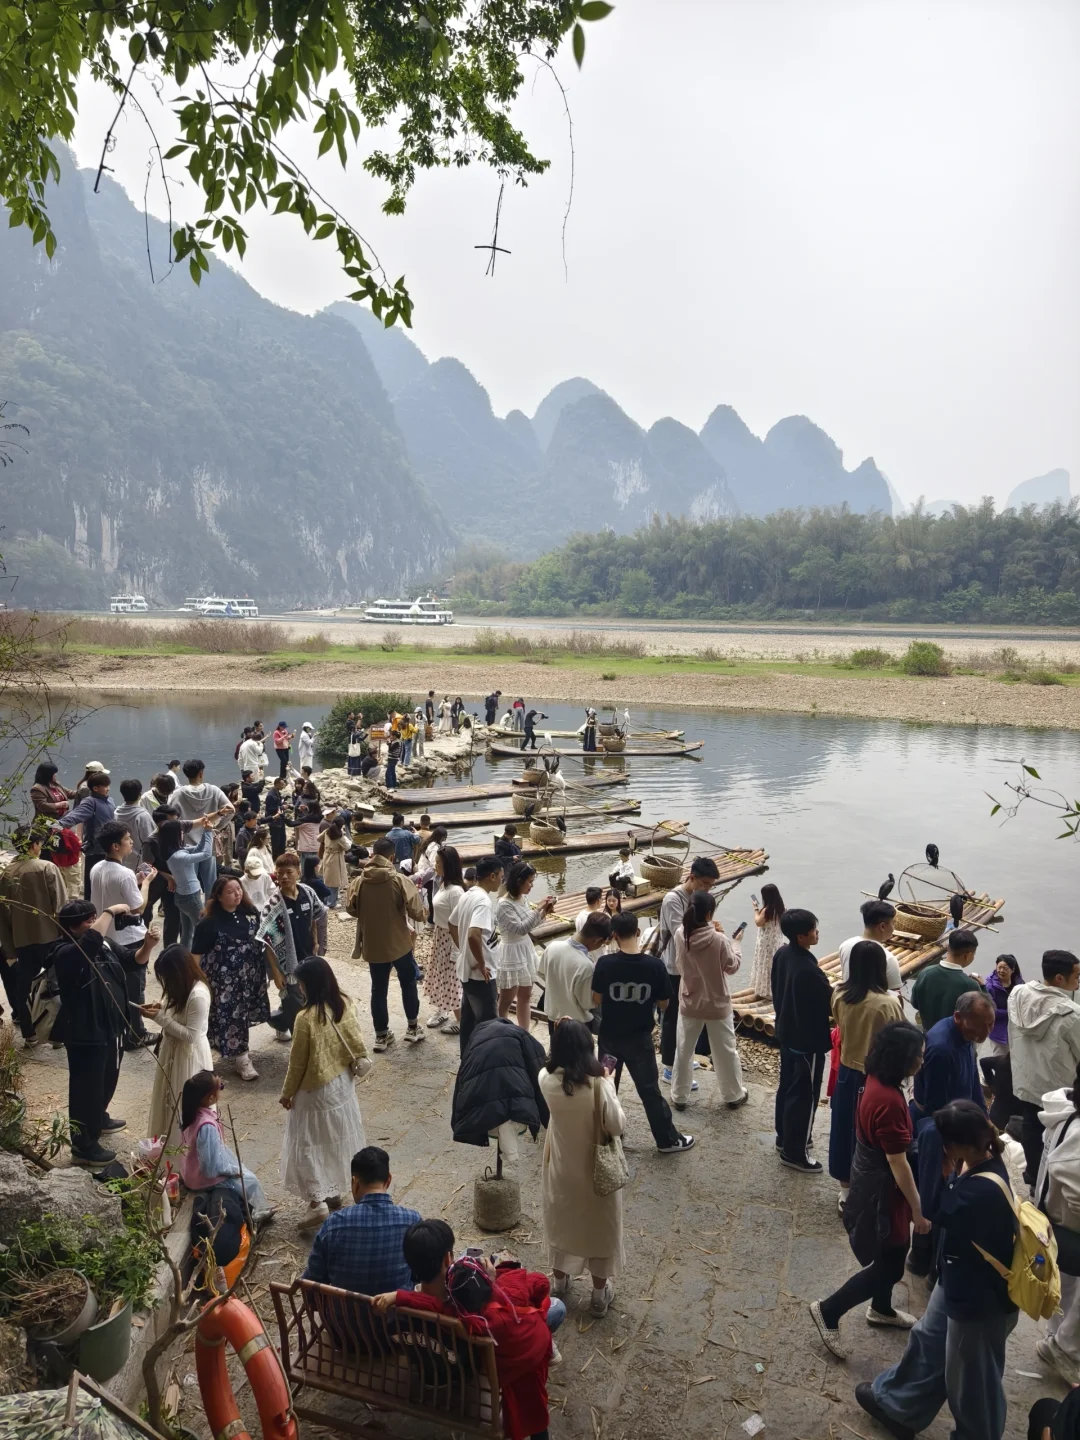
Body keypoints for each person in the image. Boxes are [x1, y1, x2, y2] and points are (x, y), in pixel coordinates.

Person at [856, 1099, 1019, 1440]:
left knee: (972, 1382)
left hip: (980, 1303)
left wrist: (935, 1159)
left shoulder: (977, 1192)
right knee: (929, 1342)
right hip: (960, 1281)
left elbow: (930, 1212)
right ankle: (898, 1406)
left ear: (957, 1146)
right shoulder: (980, 1161)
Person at [372, 1223, 559, 1440]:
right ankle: (550, 1349)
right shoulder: (469, 1311)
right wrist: (492, 1281)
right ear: (447, 1259)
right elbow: (535, 1287)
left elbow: (431, 1304)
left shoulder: (406, 1313)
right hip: (488, 1372)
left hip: (439, 1371)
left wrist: (398, 1295)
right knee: (555, 1308)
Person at [810, 1021, 929, 1359]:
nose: (921, 1061)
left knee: (893, 1251)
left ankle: (881, 1307)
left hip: (875, 1181)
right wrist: (918, 1210)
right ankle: (829, 1310)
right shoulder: (890, 1102)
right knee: (891, 1264)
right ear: (901, 1060)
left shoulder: (875, 1081)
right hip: (886, 1193)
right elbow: (898, 1163)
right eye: (917, 1057)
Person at [53, 897, 156, 1165]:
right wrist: (111, 911)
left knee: (108, 1077)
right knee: (86, 1087)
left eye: (95, 918)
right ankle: (84, 1145)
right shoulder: (66, 952)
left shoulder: (105, 944)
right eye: (89, 920)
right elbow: (89, 944)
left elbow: (131, 961)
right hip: (85, 1033)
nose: (95, 924)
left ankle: (99, 1117)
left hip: (110, 1027)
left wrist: (147, 946)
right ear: (73, 927)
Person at [906, 989, 996, 1278]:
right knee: (932, 1194)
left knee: (949, 1188)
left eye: (991, 1024)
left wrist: (984, 1121)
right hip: (935, 1128)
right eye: (983, 1025)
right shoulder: (941, 1048)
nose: (988, 1031)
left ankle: (938, 1252)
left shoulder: (969, 1038)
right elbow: (934, 1106)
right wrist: (961, 1140)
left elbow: (972, 1084)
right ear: (959, 1018)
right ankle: (921, 1256)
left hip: (958, 1123)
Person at [541, 1018, 626, 1318]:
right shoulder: (599, 1087)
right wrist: (608, 1082)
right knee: (599, 1231)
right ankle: (599, 1295)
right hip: (595, 1174)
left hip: (561, 1168)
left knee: (561, 1222)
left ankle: (560, 1281)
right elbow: (617, 1125)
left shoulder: (545, 1079)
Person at [592, 912, 695, 1154]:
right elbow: (663, 1003)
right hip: (639, 1039)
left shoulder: (605, 964)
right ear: (638, 932)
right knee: (649, 1090)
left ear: (614, 936)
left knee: (606, 1088)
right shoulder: (655, 966)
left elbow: (596, 999)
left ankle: (605, 1135)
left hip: (609, 1039)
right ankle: (667, 1140)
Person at [279, 957, 369, 1226]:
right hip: (342, 1085)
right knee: (338, 1139)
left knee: (309, 1143)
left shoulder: (305, 1019)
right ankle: (336, 1192)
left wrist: (287, 1093)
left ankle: (317, 1203)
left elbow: (297, 1063)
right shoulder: (345, 1003)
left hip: (314, 1092)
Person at [828, 940, 904, 1202]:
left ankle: (845, 1191)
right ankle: (871, 1188)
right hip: (876, 1076)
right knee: (874, 1136)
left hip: (847, 1071)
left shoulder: (839, 994)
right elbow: (898, 1038)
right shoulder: (887, 1003)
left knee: (843, 1130)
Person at [191, 875, 285, 1081]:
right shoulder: (208, 922)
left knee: (241, 1017)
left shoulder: (251, 914)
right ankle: (240, 1058)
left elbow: (265, 942)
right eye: (231, 891)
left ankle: (239, 1056)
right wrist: (192, 981)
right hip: (223, 982)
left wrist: (275, 972)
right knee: (225, 1017)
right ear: (219, 896)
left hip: (250, 977)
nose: (237, 894)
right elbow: (195, 955)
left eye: (239, 889)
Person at [347, 836, 427, 1051]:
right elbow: (418, 913)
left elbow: (351, 909)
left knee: (378, 990)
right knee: (408, 983)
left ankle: (381, 1036)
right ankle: (412, 1028)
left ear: (373, 854)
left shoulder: (359, 881)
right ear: (392, 856)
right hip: (399, 943)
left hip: (373, 944)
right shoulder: (399, 880)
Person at [1009, 949, 1080, 1189]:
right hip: (1057, 1088)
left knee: (1030, 1125)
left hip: (1026, 1079)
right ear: (1060, 979)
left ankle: (1032, 1173)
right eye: (1077, 975)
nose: (1079, 981)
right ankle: (1053, 1181)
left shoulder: (1018, 995)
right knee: (1060, 1133)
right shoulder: (1072, 1014)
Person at [671, 889, 748, 1111]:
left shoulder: (680, 934)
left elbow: (679, 964)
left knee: (684, 1049)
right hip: (717, 1004)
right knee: (725, 1051)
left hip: (689, 1002)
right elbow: (732, 966)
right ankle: (733, 1095)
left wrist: (713, 931)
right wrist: (736, 943)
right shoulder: (719, 939)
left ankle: (679, 1095)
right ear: (709, 914)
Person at [304, 1145, 421, 1292]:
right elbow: (421, 1275)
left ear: (355, 1182)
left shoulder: (334, 1224)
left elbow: (312, 1280)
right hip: (396, 1313)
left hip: (342, 1314)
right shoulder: (412, 1221)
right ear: (389, 1180)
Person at [772, 907, 831, 1173]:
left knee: (787, 1086)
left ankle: (784, 1136)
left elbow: (775, 988)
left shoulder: (783, 954)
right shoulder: (809, 970)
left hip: (786, 1032)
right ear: (801, 937)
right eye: (813, 930)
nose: (817, 933)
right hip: (808, 1041)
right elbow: (830, 1004)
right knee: (805, 1096)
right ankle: (796, 1152)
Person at [90, 821, 157, 1049]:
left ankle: (120, 1028)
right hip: (129, 939)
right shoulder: (125, 873)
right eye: (127, 838)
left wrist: (135, 881)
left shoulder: (97, 868)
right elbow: (139, 906)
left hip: (106, 935)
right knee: (135, 987)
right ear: (116, 846)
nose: (131, 842)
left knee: (114, 985)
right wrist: (145, 883)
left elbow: (113, 892)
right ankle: (136, 1034)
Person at [1035, 1061, 1080, 1385]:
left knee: (1066, 1284)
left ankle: (1056, 1338)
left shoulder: (1061, 1111)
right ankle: (1066, 1348)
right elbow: (1067, 1171)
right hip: (1067, 1223)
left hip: (1055, 1216)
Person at [451, 1016, 549, 1162]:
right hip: (519, 1111)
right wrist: (546, 1118)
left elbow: (461, 1081)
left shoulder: (474, 1040)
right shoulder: (520, 1034)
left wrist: (457, 1122)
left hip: (481, 1117)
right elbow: (538, 1069)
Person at [0, 825, 66, 1045]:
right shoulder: (47, 868)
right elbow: (61, 906)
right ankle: (57, 1035)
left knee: (23, 985)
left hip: (22, 939)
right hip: (51, 936)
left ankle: (29, 1033)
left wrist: (9, 948)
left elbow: (3, 916)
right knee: (57, 985)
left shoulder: (7, 873)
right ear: (35, 845)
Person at [658, 856, 721, 1082]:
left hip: (692, 967)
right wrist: (711, 932)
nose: (707, 889)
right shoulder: (672, 900)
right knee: (672, 1016)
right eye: (705, 884)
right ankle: (668, 1067)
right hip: (674, 967)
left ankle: (682, 1058)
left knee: (688, 1016)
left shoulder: (699, 898)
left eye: (711, 886)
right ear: (692, 877)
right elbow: (680, 934)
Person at [178, 1070, 271, 1220]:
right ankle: (257, 1213)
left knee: (241, 1170)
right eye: (220, 1087)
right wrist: (232, 1171)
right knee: (250, 1180)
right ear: (210, 1097)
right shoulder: (207, 1126)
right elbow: (210, 1167)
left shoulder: (191, 1113)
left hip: (190, 1171)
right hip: (200, 1179)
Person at [143, 944, 212, 1140]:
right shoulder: (180, 988)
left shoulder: (198, 995)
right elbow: (175, 1012)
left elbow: (191, 1035)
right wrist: (161, 1007)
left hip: (188, 1058)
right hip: (171, 1052)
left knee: (182, 1106)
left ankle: (184, 1158)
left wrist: (160, 1018)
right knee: (167, 1102)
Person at [450, 855, 503, 1056]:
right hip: (482, 974)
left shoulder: (468, 894)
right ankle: (486, 1062)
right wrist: (481, 963)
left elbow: (452, 923)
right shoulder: (483, 901)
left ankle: (468, 1058)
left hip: (467, 969)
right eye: (500, 877)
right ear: (491, 876)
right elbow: (473, 933)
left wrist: (463, 950)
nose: (501, 881)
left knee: (469, 1021)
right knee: (489, 1024)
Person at [495, 862, 556, 1030]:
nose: (531, 885)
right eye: (529, 881)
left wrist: (544, 912)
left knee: (526, 996)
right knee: (507, 999)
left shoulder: (523, 898)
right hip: (511, 951)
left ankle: (524, 1032)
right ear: (518, 881)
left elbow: (529, 923)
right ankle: (501, 1031)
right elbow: (520, 928)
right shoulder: (503, 904)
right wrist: (539, 909)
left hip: (525, 948)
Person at [538, 912, 611, 1026]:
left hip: (553, 1017)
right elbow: (587, 1003)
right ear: (598, 940)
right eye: (602, 944)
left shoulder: (552, 947)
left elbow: (542, 973)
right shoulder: (585, 965)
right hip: (577, 1023)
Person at [425, 845, 464, 1035]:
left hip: (450, 939)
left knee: (452, 980)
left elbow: (460, 923)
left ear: (448, 865)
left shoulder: (456, 891)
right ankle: (443, 1010)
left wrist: (458, 950)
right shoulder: (444, 884)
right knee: (441, 976)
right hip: (440, 936)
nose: (435, 865)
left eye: (439, 862)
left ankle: (461, 1020)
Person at [910, 928, 981, 1031]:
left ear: (948, 948)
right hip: (955, 1043)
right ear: (968, 955)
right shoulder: (970, 985)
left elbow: (915, 1003)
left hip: (928, 1036)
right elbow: (978, 1017)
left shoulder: (925, 973)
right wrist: (983, 988)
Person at [59, 768, 115, 898]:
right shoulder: (90, 802)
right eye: (105, 786)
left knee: (107, 884)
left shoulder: (110, 800)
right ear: (95, 788)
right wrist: (55, 825)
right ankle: (90, 912)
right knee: (92, 885)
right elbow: (74, 816)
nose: (108, 789)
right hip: (95, 849)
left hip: (110, 848)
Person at [164, 817, 216, 950]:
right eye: (181, 832)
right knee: (204, 929)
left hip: (184, 897)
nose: (183, 834)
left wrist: (205, 831)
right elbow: (206, 854)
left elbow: (199, 849)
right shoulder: (178, 856)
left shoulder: (176, 851)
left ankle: (184, 961)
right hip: (190, 898)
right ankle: (201, 960)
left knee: (188, 933)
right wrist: (209, 832)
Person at [838, 898, 904, 992]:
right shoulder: (888, 958)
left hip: (848, 1000)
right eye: (893, 923)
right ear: (882, 926)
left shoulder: (845, 945)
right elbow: (896, 996)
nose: (894, 928)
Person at [980, 952, 1022, 1094]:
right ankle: (997, 1087)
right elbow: (992, 1011)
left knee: (1015, 1058)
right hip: (998, 1030)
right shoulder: (990, 986)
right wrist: (1011, 1012)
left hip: (1016, 1029)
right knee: (1000, 1060)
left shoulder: (1019, 982)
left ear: (1013, 969)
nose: (1001, 971)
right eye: (999, 967)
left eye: (1005, 968)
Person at [748, 882, 785, 1000]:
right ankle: (774, 989)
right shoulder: (782, 908)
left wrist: (755, 909)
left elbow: (758, 922)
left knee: (765, 964)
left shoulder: (766, 910)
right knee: (774, 965)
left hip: (766, 942)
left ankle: (765, 991)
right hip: (777, 940)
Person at [170, 759, 235, 823]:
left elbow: (169, 817)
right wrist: (218, 827)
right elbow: (231, 810)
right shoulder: (214, 791)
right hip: (209, 831)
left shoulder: (177, 794)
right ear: (200, 773)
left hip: (184, 833)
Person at [113, 778, 156, 867]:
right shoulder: (142, 816)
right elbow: (150, 841)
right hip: (140, 863)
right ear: (140, 794)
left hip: (121, 858)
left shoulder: (116, 813)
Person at [317, 821, 349, 909]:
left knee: (327, 879)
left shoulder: (327, 831)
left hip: (326, 855)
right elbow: (347, 847)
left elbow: (318, 838)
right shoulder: (339, 836)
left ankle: (328, 899)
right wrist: (345, 837)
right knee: (335, 882)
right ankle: (331, 902)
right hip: (335, 858)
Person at [263, 775, 289, 859]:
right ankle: (275, 857)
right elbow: (269, 808)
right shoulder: (271, 795)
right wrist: (282, 807)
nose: (283, 786)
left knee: (282, 838)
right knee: (276, 840)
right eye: (282, 784)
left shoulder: (277, 792)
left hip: (280, 820)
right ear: (276, 784)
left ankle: (282, 855)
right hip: (274, 821)